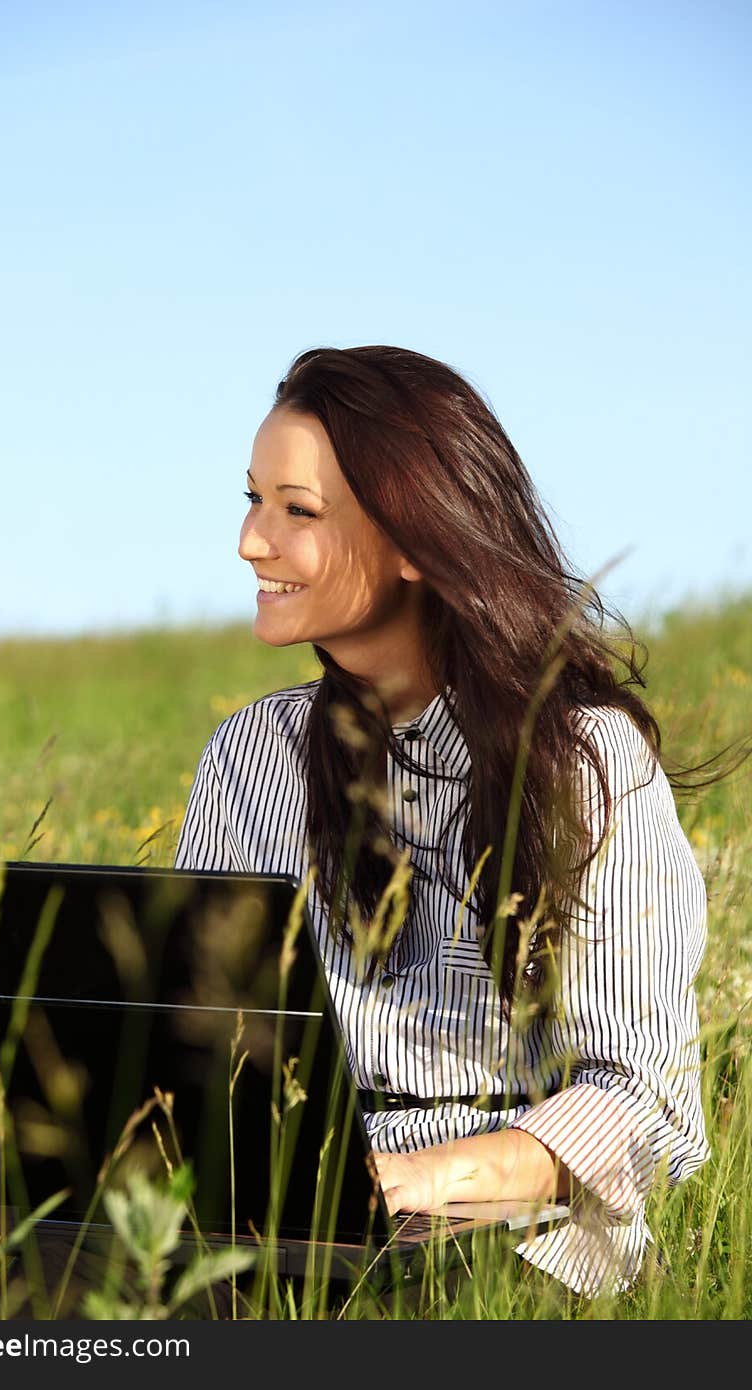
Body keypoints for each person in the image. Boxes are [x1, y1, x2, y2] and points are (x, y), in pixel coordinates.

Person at [172, 344, 711, 1300]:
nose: (252, 541)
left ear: (417, 538)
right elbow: (199, 1050)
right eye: (252, 500)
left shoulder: (586, 766)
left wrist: (420, 1181)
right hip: (279, 1235)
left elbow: (648, 1105)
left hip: (515, 1247)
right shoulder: (248, 760)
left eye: (298, 511)